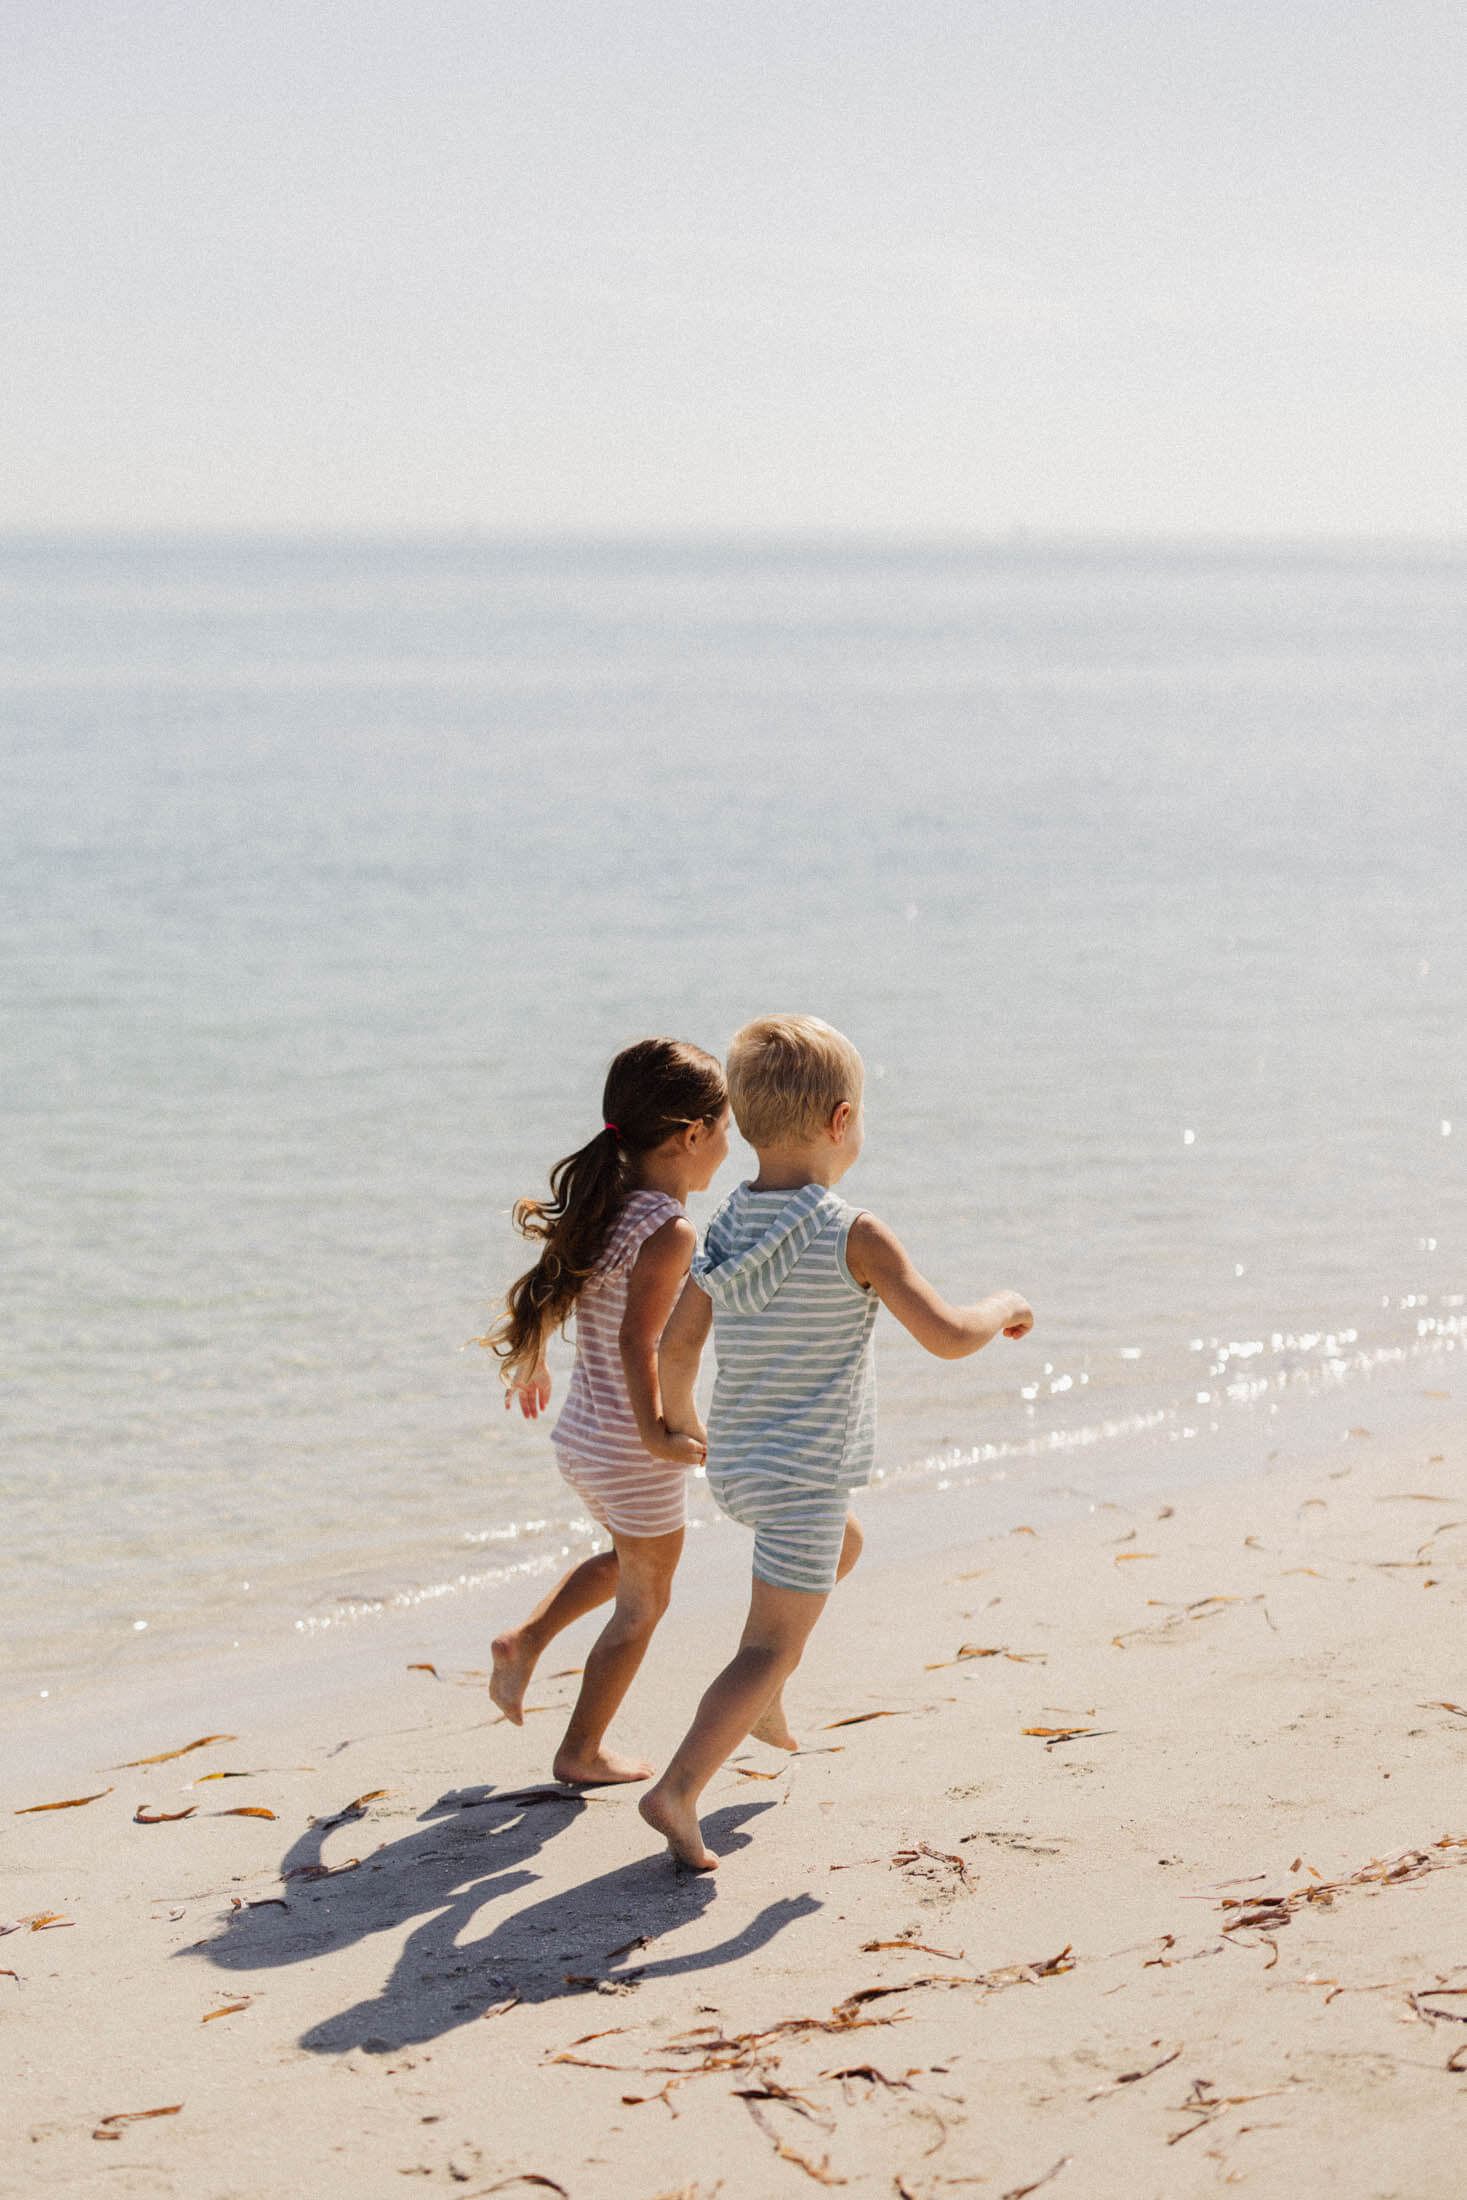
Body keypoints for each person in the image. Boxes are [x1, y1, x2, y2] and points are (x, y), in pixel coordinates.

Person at [640, 1014, 1034, 1868]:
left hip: (739, 1463)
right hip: (801, 1477)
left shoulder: (730, 1226)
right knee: (766, 1640)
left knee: (839, 1548)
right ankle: (679, 1788)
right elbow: (946, 1335)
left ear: (742, 1125)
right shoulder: (853, 1232)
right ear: (841, 1120)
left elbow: (678, 1345)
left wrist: (682, 1425)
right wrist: (1002, 1306)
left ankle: (766, 1701)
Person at [482, 1037, 730, 1785]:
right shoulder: (669, 1229)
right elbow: (637, 1343)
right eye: (726, 1129)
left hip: (586, 1438)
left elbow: (552, 1286)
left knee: (631, 1564)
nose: (729, 1144)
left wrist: (529, 1352)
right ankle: (580, 1752)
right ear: (691, 1136)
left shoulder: (611, 1203)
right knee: (643, 1602)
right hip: (627, 1440)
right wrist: (657, 1433)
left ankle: (523, 1641)